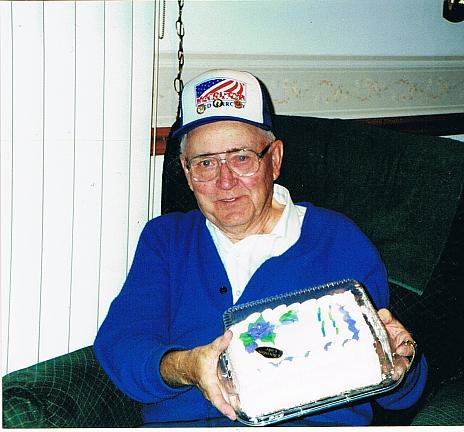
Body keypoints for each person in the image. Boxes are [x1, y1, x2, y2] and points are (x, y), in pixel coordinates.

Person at [94, 69, 427, 427]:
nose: (225, 181)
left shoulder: (338, 241)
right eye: (205, 163)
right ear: (187, 174)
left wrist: (400, 363)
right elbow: (122, 343)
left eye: (241, 158)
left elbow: (396, 390)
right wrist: (189, 367)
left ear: (274, 160)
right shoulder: (167, 240)